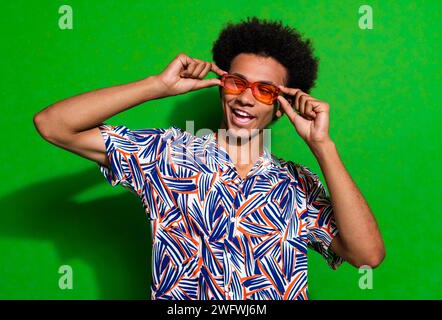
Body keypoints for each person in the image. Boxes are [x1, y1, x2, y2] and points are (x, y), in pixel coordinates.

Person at [33, 16, 385, 300]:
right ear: (222, 85)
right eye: (236, 82)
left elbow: (367, 256)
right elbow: (53, 125)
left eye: (264, 90)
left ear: (282, 105)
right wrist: (157, 86)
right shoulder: (167, 155)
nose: (246, 98)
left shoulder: (296, 183)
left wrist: (323, 146)